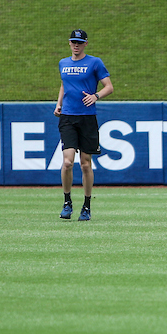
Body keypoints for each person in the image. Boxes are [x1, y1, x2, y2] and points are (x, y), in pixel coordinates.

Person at [54, 29, 113, 221]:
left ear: (85, 44)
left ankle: (86, 205)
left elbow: (109, 87)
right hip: (68, 117)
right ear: (69, 43)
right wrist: (59, 104)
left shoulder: (94, 62)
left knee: (86, 163)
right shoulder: (63, 63)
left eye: (79, 42)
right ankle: (67, 202)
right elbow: (64, 84)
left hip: (87, 117)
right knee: (67, 161)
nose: (76, 45)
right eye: (73, 42)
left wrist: (95, 96)